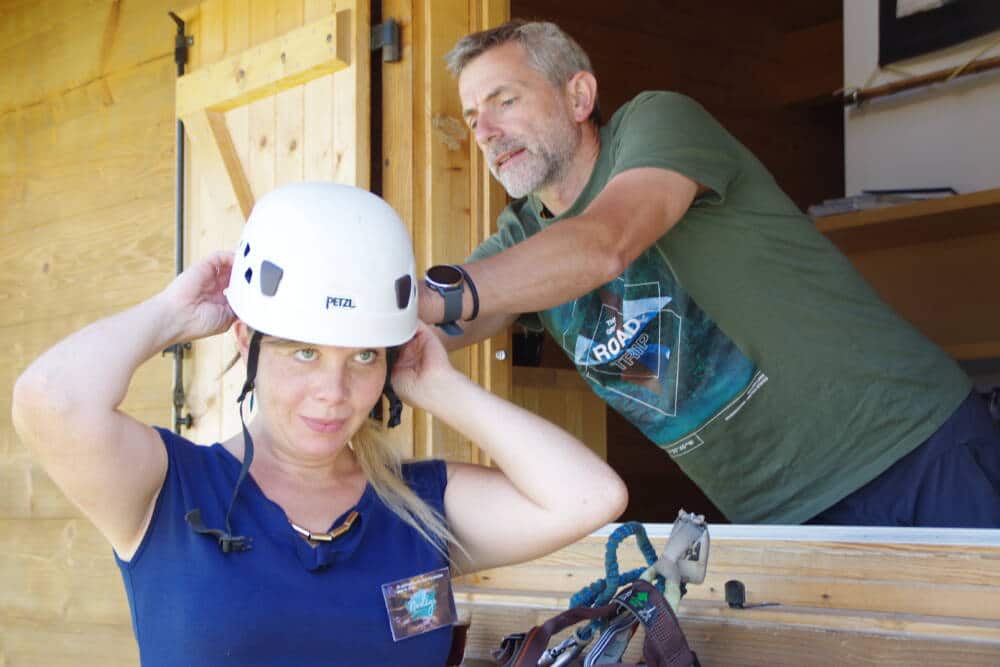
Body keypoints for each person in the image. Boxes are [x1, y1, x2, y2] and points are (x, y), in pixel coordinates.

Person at [11, 182, 628, 666]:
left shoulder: (417, 507)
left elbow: (590, 497)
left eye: (362, 356)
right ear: (248, 342)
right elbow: (51, 400)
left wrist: (443, 387)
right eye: (303, 351)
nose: (334, 393)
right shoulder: (168, 490)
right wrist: (172, 314)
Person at [417, 20, 1000, 527]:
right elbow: (455, 317)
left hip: (911, 450)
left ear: (579, 96)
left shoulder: (657, 121)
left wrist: (438, 297)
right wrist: (365, 328)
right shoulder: (522, 232)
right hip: (779, 517)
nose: (486, 132)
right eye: (472, 118)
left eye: (505, 101)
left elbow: (604, 244)